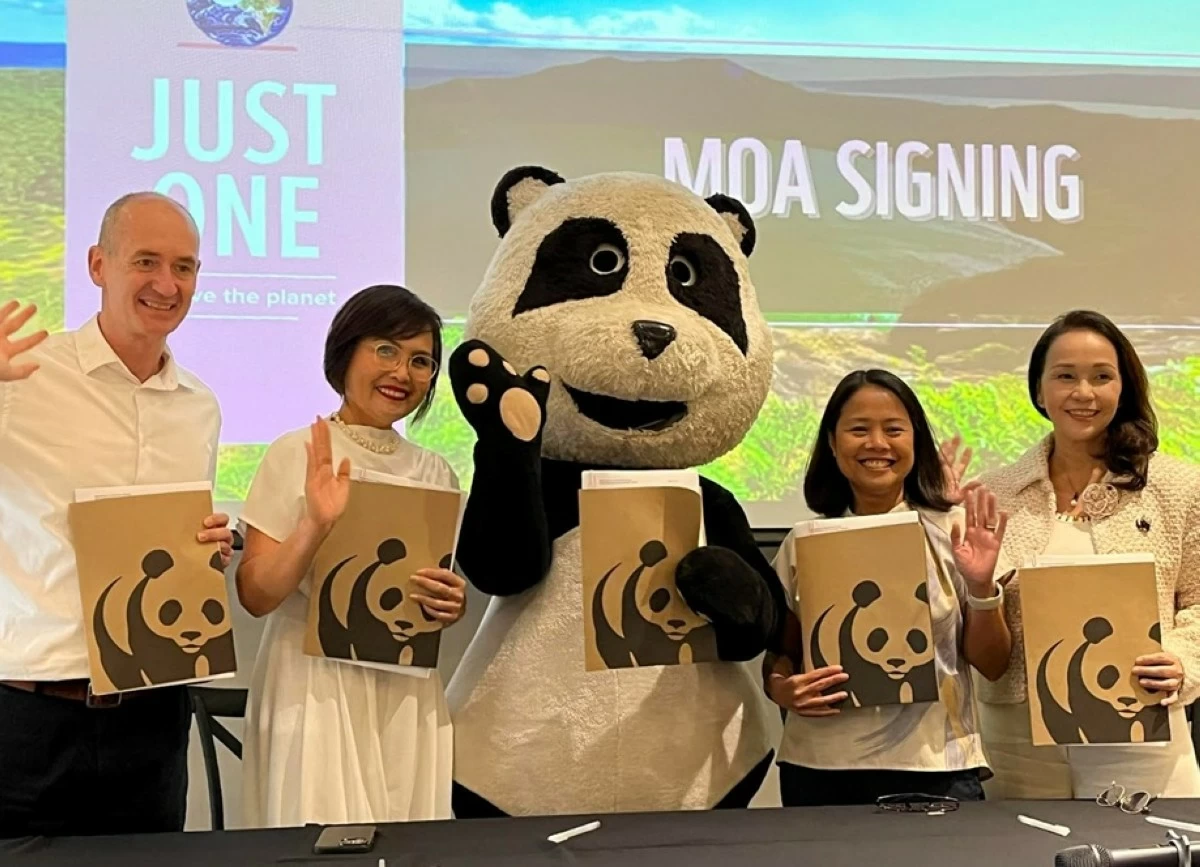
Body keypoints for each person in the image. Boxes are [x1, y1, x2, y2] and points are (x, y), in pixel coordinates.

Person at [0, 192, 233, 838]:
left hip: (152, 720)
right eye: (147, 261)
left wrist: (208, 548)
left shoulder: (200, 406)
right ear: (99, 264)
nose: (166, 284)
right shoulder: (23, 375)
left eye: (184, 267)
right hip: (30, 715)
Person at [236, 284, 467, 828]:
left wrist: (448, 604)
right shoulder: (297, 451)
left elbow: (426, 593)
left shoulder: (438, 472)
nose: (402, 373)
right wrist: (315, 525)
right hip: (315, 688)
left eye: (421, 361)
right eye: (385, 349)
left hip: (407, 692)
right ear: (346, 352)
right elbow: (255, 595)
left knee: (409, 838)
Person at [949, 310, 1200, 799]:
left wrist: (1183, 660)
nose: (1083, 393)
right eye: (1065, 376)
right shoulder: (996, 493)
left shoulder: (1178, 487)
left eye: (1101, 377)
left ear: (1122, 387)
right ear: (1039, 391)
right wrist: (978, 589)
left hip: (1139, 728)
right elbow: (985, 658)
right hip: (1019, 745)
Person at [763, 369, 1012, 806]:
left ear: (914, 441)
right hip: (820, 766)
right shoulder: (803, 542)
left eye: (893, 429)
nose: (877, 443)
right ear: (832, 444)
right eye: (859, 429)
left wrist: (981, 586)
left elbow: (992, 664)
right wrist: (780, 688)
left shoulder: (953, 533)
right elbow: (782, 650)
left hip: (937, 767)